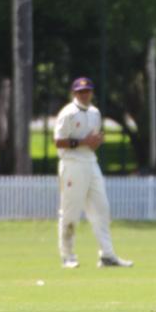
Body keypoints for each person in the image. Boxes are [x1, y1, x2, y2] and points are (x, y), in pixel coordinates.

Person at [54, 77, 133, 269]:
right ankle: (68, 256)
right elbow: (59, 141)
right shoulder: (68, 113)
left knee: (101, 209)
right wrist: (83, 142)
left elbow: (91, 141)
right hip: (72, 164)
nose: (85, 94)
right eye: (81, 91)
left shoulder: (95, 113)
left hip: (90, 162)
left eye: (87, 91)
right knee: (70, 212)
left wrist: (95, 142)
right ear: (74, 93)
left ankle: (107, 255)